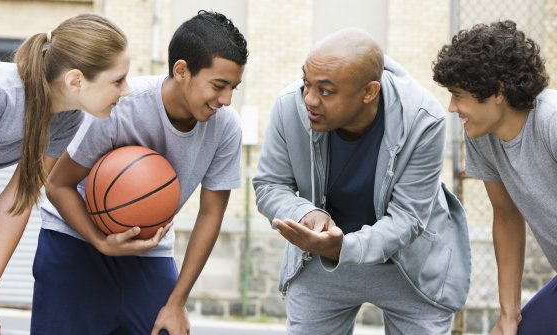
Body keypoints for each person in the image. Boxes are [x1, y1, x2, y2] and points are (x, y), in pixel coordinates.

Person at [32, 10, 248, 335]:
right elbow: (58, 184)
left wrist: (177, 301)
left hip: (150, 250)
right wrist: (100, 241)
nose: (227, 99)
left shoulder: (226, 128)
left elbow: (210, 214)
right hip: (75, 240)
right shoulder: (121, 105)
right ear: (182, 71)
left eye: (233, 87)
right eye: (219, 85)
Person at [252, 28, 471, 335]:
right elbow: (270, 184)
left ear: (369, 92)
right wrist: (307, 215)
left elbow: (408, 218)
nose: (310, 100)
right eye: (306, 84)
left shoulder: (424, 118)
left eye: (325, 91)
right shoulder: (290, 106)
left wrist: (345, 247)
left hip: (408, 265)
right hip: (322, 259)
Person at [0, 13, 129, 335]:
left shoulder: (66, 119)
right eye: (118, 81)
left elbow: (17, 201)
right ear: (76, 80)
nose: (127, 91)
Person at [433, 20, 556, 335]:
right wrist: (508, 315)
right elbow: (506, 216)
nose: (451, 107)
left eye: (459, 95)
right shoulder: (481, 137)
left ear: (498, 91)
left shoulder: (551, 122)